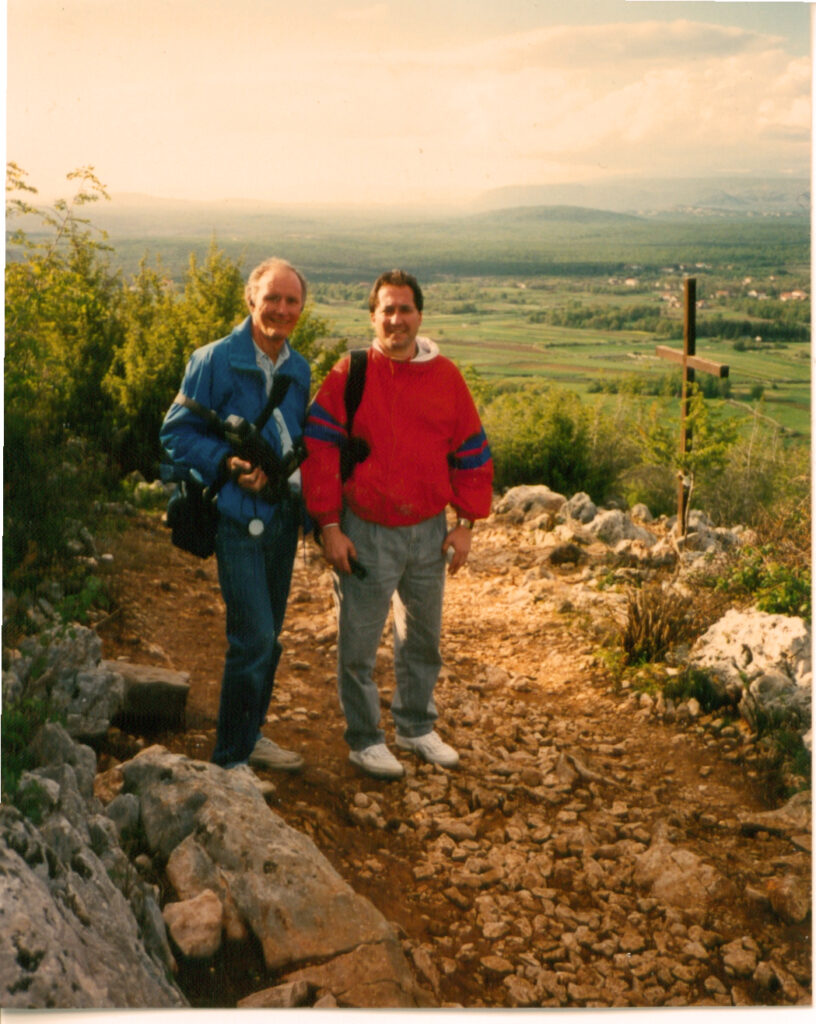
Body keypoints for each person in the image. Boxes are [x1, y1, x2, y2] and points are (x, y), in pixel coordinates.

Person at [301, 269, 493, 779]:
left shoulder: (446, 376)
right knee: (358, 646)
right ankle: (365, 739)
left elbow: (471, 449)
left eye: (405, 309)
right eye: (387, 309)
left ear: (419, 316)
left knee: (423, 640)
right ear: (373, 317)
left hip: (429, 530)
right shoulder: (350, 373)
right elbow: (318, 448)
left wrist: (466, 522)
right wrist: (329, 525)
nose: (396, 319)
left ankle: (415, 726)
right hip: (364, 529)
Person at [160, 258, 311, 772]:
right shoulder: (214, 360)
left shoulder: (298, 368)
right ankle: (230, 762)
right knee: (254, 639)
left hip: (282, 518)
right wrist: (226, 463)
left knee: (271, 639)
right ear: (251, 300)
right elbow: (176, 433)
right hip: (236, 518)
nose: (281, 309)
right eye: (272, 298)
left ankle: (251, 733)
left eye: (291, 300)